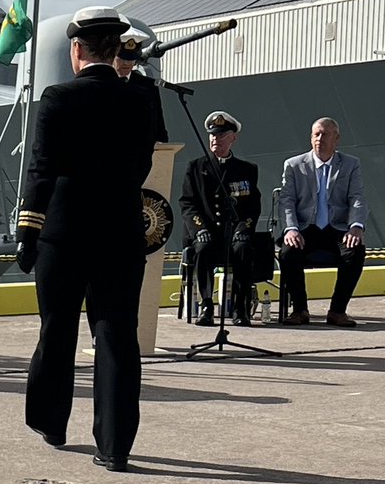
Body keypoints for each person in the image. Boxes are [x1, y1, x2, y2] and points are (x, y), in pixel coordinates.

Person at [16, 6, 156, 473]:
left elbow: (41, 170)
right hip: (120, 233)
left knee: (58, 329)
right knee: (117, 335)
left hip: (65, 232)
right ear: (117, 50)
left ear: (76, 50)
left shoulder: (58, 98)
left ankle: (51, 423)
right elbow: (140, 168)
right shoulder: (142, 100)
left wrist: (27, 230)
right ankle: (114, 446)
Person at [278, 117, 367, 327]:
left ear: (336, 138)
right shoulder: (294, 165)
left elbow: (357, 198)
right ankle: (299, 310)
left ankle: (337, 311)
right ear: (311, 138)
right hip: (305, 228)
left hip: (336, 228)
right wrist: (290, 229)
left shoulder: (350, 164)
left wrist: (356, 227)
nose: (320, 139)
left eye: (325, 134)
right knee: (288, 252)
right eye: (316, 134)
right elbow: (286, 200)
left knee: (355, 251)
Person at [178, 111, 261, 326]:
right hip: (206, 231)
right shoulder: (196, 167)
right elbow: (187, 203)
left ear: (233, 138)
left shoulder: (247, 170)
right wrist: (199, 230)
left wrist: (244, 228)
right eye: (213, 136)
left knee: (244, 249)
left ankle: (240, 305)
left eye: (222, 135)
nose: (216, 139)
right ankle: (206, 304)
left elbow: (252, 206)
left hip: (232, 232)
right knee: (203, 249)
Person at [114, 29, 169, 143]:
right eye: (122, 58)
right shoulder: (102, 83)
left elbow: (158, 125)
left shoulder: (148, 86)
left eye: (131, 58)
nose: (127, 63)